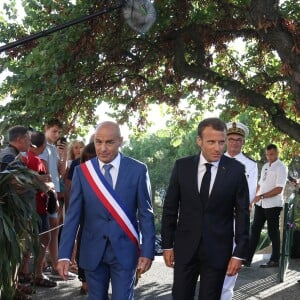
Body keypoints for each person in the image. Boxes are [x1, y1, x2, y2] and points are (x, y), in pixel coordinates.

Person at [57, 121, 156, 299]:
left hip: (125, 250)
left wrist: (147, 251)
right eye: (98, 142)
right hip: (92, 250)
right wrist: (63, 255)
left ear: (121, 141)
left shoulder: (138, 170)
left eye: (109, 142)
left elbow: (146, 214)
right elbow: (73, 216)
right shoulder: (82, 172)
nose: (103, 148)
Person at [161, 117, 250, 300]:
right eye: (211, 142)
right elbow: (170, 208)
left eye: (221, 142)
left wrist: (239, 254)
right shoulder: (182, 167)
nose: (217, 148)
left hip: (218, 250)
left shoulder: (236, 170)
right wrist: (167, 245)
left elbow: (243, 214)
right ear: (199, 141)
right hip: (185, 249)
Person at [221, 121, 258, 300]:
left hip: (236, 221)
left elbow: (248, 195)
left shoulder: (250, 165)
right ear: (226, 140)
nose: (234, 143)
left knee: (231, 266)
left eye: (238, 140)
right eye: (231, 139)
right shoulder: (215, 159)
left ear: (243, 142)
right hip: (214, 221)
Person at [21, 131, 57, 288]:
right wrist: (50, 187)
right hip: (36, 207)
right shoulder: (34, 160)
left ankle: (25, 272)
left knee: (30, 241)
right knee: (43, 239)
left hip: (30, 207)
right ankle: (36, 273)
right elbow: (39, 183)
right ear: (42, 146)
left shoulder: (24, 157)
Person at [246, 144, 288, 268]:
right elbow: (259, 184)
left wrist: (262, 196)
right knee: (255, 230)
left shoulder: (281, 167)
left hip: (273, 205)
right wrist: (254, 199)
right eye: (267, 154)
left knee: (272, 232)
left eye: (272, 154)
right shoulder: (265, 166)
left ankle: (275, 260)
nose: (269, 157)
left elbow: (279, 189)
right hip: (260, 204)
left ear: (277, 153)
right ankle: (247, 259)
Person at [39, 118, 68, 276]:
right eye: (54, 131)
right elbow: (42, 170)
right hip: (46, 192)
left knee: (54, 230)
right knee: (46, 231)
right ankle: (41, 264)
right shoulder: (41, 146)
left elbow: (62, 172)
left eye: (59, 132)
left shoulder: (52, 148)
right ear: (46, 128)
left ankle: (56, 264)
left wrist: (65, 153)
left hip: (55, 191)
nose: (57, 134)